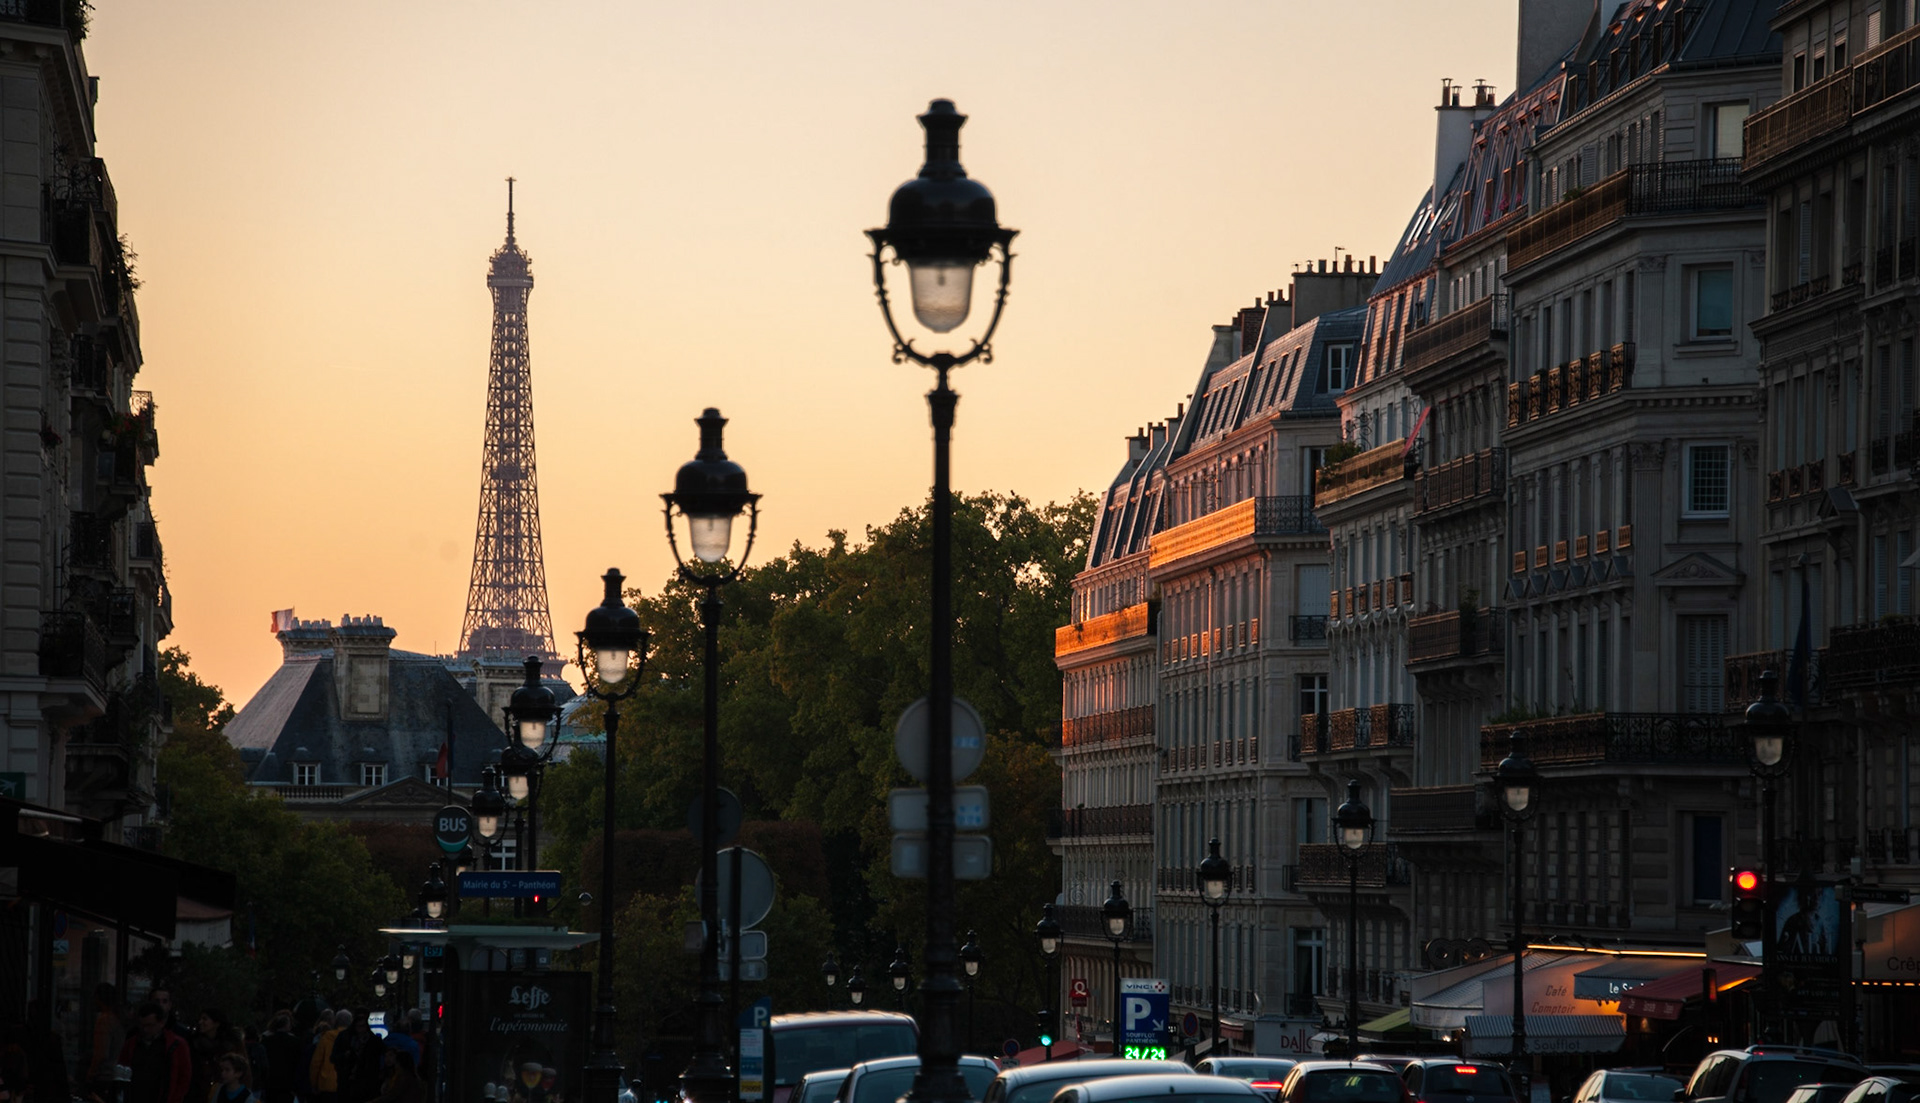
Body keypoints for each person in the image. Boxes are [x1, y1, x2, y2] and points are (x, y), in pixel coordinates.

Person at [119, 1003, 191, 1103]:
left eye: (149, 1025)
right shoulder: (131, 1044)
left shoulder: (176, 1045)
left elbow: (184, 1078)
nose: (145, 1029)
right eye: (143, 1025)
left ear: (161, 1023)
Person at [87, 985, 128, 1094]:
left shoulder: (104, 1020)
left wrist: (91, 1072)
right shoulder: (119, 1019)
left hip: (105, 1076)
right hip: (118, 1073)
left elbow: (101, 1054)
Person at [306, 1012, 350, 1103]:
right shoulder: (355, 1038)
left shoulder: (327, 1037)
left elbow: (316, 1063)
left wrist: (314, 1084)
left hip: (327, 1084)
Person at [259, 1014, 299, 1103]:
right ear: (287, 1025)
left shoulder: (267, 1040)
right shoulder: (295, 1042)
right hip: (287, 1082)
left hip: (270, 1080)